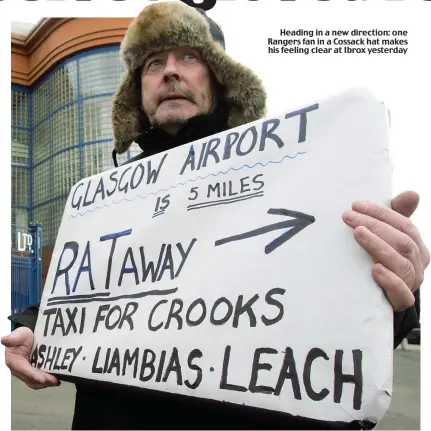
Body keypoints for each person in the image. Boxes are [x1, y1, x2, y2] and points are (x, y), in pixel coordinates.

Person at [3, 2, 428, 429]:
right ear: (138, 91)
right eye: (153, 63)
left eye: (189, 56)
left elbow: (336, 329)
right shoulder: (103, 202)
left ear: (221, 80)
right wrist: (33, 328)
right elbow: (85, 300)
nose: (171, 71)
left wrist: (392, 297)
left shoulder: (298, 176)